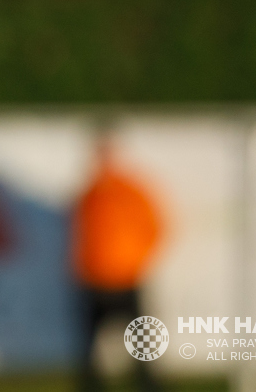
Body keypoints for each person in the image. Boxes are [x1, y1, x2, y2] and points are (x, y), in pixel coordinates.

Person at [72, 133, 164, 392]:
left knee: (142, 345)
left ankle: (151, 386)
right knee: (88, 351)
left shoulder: (131, 191)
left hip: (126, 280)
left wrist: (133, 261)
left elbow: (155, 228)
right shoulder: (89, 194)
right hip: (93, 281)